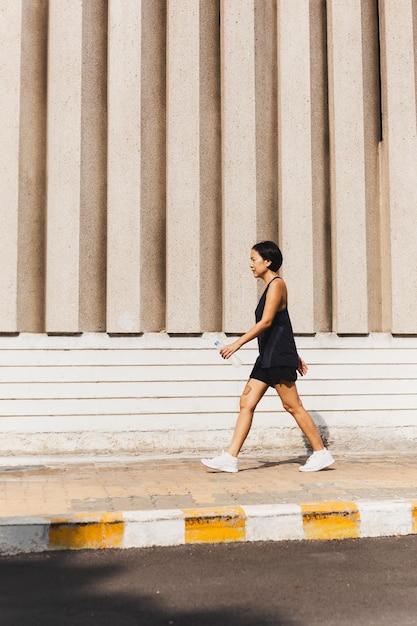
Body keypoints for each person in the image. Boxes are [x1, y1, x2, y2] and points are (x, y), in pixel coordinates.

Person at [201, 241, 334, 473]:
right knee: (246, 402)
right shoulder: (271, 287)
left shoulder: (277, 284)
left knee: (292, 406)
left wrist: (238, 343)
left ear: (267, 261)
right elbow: (281, 327)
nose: (251, 264)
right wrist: (295, 354)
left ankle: (321, 453)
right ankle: (230, 457)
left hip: (276, 357)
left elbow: (267, 322)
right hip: (268, 357)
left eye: (254, 259)